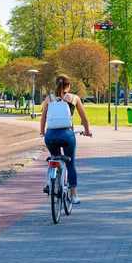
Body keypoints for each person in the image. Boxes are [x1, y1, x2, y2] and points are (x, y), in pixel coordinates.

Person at [40, 74, 91, 204]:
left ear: (56, 84)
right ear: (68, 85)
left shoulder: (48, 99)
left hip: (50, 135)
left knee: (54, 157)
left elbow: (43, 118)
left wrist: (42, 132)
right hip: (67, 134)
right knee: (70, 163)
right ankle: (74, 196)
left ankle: (49, 183)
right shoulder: (75, 98)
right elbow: (84, 118)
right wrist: (87, 131)